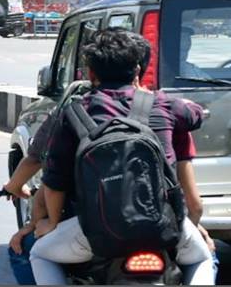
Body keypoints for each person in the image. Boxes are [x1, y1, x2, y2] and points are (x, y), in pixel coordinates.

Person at [29, 28, 216, 285]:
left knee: (40, 255)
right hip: (162, 227)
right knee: (203, 258)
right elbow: (195, 114)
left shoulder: (74, 113)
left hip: (94, 231)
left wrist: (51, 221)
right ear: (138, 71)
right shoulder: (165, 105)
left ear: (91, 74)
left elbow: (54, 183)